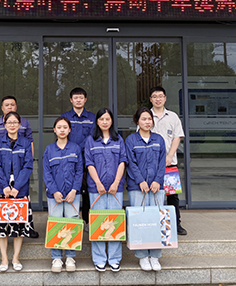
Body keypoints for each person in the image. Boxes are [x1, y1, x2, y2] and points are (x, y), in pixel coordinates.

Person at [0, 111, 34, 272]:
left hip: (20, 190)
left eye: (15, 122)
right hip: (2, 188)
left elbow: (28, 166)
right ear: (5, 125)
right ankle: (4, 258)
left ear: (20, 125)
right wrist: (5, 186)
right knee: (1, 224)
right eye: (9, 122)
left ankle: (15, 257)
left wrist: (16, 188)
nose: (12, 125)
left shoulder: (26, 143)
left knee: (18, 225)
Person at [0, 95, 39, 238]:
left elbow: (29, 145)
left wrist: (29, 164)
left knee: (20, 211)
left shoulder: (25, 124)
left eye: (12, 104)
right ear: (2, 108)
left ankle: (23, 231)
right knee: (2, 212)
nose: (10, 107)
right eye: (7, 105)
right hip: (2, 176)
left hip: (20, 172)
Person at [84, 108, 127, 272]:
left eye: (107, 119)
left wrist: (116, 182)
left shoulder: (118, 140)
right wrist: (98, 183)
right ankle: (99, 258)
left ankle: (115, 258)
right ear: (97, 121)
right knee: (98, 223)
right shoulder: (91, 140)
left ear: (111, 121)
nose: (104, 122)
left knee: (115, 223)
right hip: (97, 189)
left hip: (116, 189)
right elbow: (89, 163)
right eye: (101, 119)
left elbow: (122, 161)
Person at [126, 106, 167, 271]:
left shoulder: (159, 139)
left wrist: (157, 180)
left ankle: (155, 256)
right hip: (138, 188)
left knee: (157, 220)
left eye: (149, 119)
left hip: (157, 187)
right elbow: (131, 162)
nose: (147, 122)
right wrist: (141, 181)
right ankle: (142, 256)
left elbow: (162, 162)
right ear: (137, 121)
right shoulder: (131, 140)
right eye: (143, 119)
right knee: (140, 222)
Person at [42, 116, 83, 273]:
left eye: (65, 127)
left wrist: (74, 190)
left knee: (72, 223)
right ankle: (57, 258)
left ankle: (71, 257)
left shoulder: (75, 148)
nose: (62, 130)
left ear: (69, 130)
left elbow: (79, 171)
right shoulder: (49, 150)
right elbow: (46, 173)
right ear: (54, 130)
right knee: (56, 223)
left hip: (73, 194)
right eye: (59, 127)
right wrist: (54, 191)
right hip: (55, 196)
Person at [149, 86, 187, 235]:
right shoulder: (146, 115)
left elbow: (177, 137)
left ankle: (176, 224)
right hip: (151, 164)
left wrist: (170, 155)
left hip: (169, 163)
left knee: (172, 195)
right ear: (151, 99)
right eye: (154, 96)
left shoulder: (173, 116)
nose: (158, 99)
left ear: (165, 98)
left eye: (160, 96)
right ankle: (153, 224)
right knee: (153, 193)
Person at [62, 87, 95, 227]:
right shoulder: (65, 117)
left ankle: (87, 221)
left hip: (87, 159)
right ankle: (71, 222)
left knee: (87, 191)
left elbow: (92, 138)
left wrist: (77, 148)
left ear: (85, 99)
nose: (78, 100)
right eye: (75, 98)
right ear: (71, 100)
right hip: (70, 159)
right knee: (71, 189)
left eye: (81, 97)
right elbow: (62, 136)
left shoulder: (92, 118)